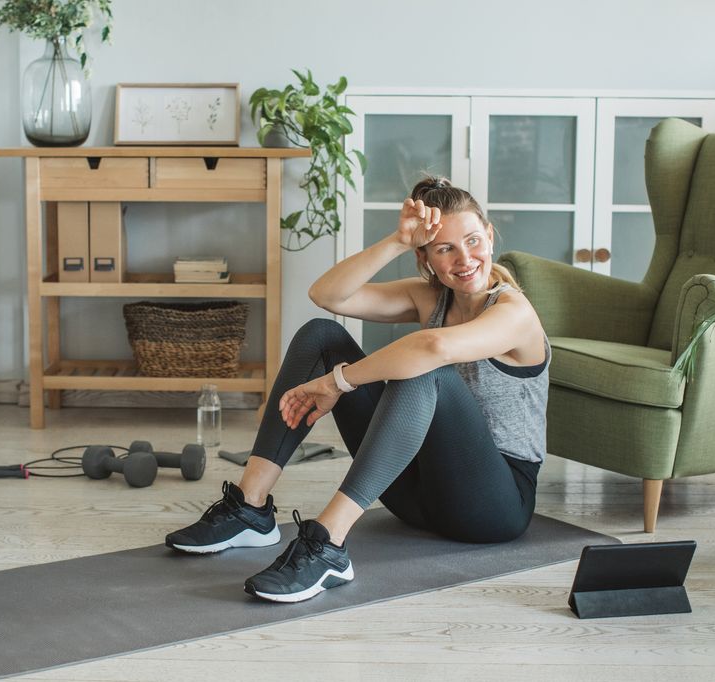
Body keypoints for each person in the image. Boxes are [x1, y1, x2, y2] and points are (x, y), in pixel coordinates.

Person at [165, 176, 551, 603]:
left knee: (427, 370)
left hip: (494, 506)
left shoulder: (514, 311)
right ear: (426, 259)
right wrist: (398, 240)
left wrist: (337, 383)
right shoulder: (430, 298)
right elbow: (326, 295)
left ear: (490, 236)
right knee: (322, 336)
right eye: (445, 248)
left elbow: (434, 346)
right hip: (417, 497)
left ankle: (328, 544)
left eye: (474, 241)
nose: (465, 258)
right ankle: (250, 507)